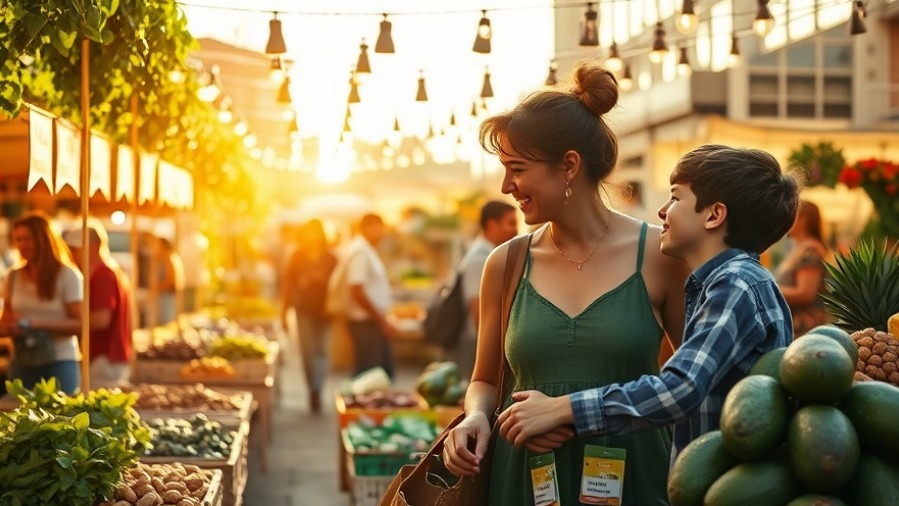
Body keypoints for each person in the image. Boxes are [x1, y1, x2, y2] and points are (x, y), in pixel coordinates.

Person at [442, 62, 690, 505]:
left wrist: (573, 413)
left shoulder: (659, 255)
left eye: (517, 169)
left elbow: (689, 381)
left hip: (636, 479)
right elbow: (484, 380)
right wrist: (476, 416)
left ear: (569, 165)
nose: (506, 186)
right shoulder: (505, 264)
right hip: (525, 481)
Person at [496, 144, 799, 468]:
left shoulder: (735, 285)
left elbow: (680, 389)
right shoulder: (724, 282)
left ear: (714, 215)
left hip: (731, 481)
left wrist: (562, 409)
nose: (662, 211)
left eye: (676, 198)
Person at [0, 211, 84, 394]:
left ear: (43, 240)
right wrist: (10, 327)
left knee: (61, 411)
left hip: (59, 362)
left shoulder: (67, 275)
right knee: (19, 410)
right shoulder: (12, 277)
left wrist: (36, 324)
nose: (22, 245)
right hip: (22, 361)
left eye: (27, 239)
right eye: (18, 239)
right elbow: (5, 318)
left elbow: (80, 325)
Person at [448, 200, 518, 380]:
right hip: (476, 341)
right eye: (511, 223)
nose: (515, 230)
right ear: (492, 225)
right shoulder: (480, 258)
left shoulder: (488, 254)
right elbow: (477, 306)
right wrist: (493, 349)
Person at [64, 220, 133, 388]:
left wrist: (65, 324)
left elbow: (102, 319)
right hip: (107, 357)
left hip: (105, 358)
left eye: (76, 249)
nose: (72, 255)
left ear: (93, 247)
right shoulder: (109, 269)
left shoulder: (103, 274)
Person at [281, 219, 337, 413]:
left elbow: (339, 284)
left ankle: (316, 390)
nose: (312, 235)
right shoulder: (297, 256)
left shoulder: (331, 258)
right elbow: (288, 284)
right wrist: (284, 312)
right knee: (307, 352)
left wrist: (323, 279)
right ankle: (312, 387)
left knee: (322, 351)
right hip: (303, 309)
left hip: (326, 311)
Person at [343, 213, 397, 378]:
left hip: (372, 321)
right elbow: (356, 289)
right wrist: (381, 321)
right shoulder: (360, 252)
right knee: (368, 376)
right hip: (365, 323)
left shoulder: (367, 250)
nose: (382, 233)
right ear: (367, 228)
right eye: (379, 228)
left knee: (379, 374)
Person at [775, 200, 833, 336]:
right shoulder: (799, 249)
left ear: (803, 219)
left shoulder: (811, 250)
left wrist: (770, 290)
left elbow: (806, 293)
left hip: (805, 330)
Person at [154, 237, 183, 325]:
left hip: (166, 297)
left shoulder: (169, 260)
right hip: (163, 296)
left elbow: (170, 281)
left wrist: (156, 288)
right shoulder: (165, 259)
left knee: (166, 321)